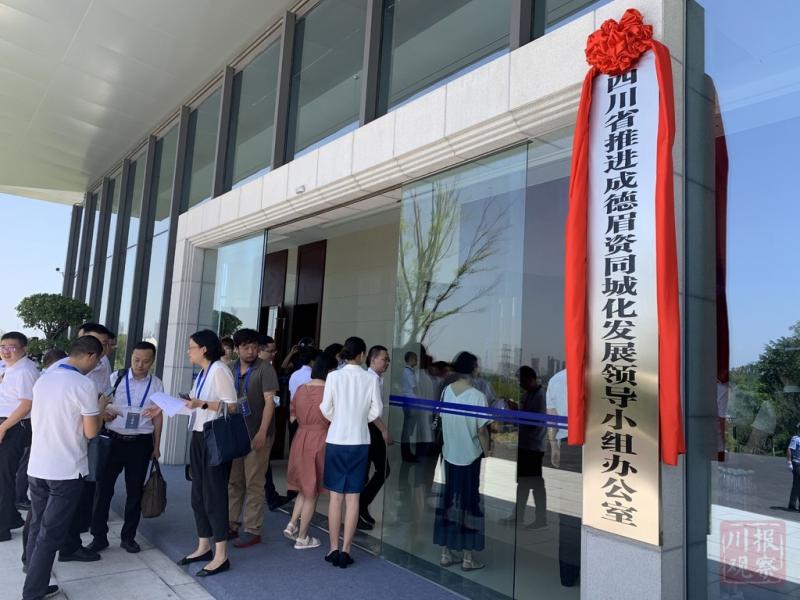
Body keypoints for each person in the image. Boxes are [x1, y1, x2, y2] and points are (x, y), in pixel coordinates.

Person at [22, 335, 108, 600]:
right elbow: (91, 432)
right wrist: (101, 408)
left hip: (38, 465)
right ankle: (33, 592)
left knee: (37, 525)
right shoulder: (83, 384)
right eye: (97, 361)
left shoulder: (44, 377)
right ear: (91, 356)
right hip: (66, 469)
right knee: (50, 534)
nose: (95, 366)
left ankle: (32, 573)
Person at [88, 341, 164, 553]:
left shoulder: (157, 384)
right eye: (136, 360)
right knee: (103, 490)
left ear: (152, 361)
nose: (140, 364)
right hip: (113, 440)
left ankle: (128, 537)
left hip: (140, 443)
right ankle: (99, 536)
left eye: (145, 361)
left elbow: (158, 417)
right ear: (131, 357)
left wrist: (157, 446)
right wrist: (104, 414)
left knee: (135, 492)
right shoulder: (116, 378)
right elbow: (101, 404)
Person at [178, 329, 237, 577]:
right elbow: (194, 403)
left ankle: (221, 554)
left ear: (203, 349)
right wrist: (166, 406)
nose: (188, 351)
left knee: (214, 495)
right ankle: (203, 546)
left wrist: (201, 403)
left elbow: (232, 407)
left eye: (191, 347)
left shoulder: (219, 370)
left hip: (214, 438)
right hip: (199, 435)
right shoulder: (203, 372)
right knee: (198, 494)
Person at [320, 336, 382, 568]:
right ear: (362, 355)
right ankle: (346, 550)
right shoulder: (370, 378)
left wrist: (339, 419)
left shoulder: (333, 376)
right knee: (353, 498)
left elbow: (325, 408)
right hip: (360, 441)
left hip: (336, 439)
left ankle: (333, 548)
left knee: (335, 498)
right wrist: (359, 419)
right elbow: (376, 410)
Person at [57, 322, 113, 563]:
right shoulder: (62, 371)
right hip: (67, 441)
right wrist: (98, 411)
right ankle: (62, 546)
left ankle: (72, 542)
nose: (104, 350)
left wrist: (104, 410)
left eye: (107, 344)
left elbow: (105, 394)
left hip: (86, 438)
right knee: (64, 498)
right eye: (100, 344)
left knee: (85, 491)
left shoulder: (103, 364)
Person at [434, 351, 490, 572]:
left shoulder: (447, 391)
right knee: (469, 503)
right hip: (470, 457)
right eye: (477, 366)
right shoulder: (477, 396)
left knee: (449, 501)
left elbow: (442, 420)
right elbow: (482, 430)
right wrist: (487, 451)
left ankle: (446, 552)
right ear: (473, 369)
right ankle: (468, 557)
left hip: (450, 454)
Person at [227, 328, 278, 548]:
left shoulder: (265, 369)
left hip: (258, 434)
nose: (250, 351)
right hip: (235, 434)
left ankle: (252, 529)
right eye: (245, 347)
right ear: (237, 349)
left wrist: (262, 433)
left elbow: (270, 402)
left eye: (254, 347)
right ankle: (230, 523)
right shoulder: (229, 369)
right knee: (234, 481)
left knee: (254, 483)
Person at [283, 352, 337, 549]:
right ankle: (302, 537)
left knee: (303, 487)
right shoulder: (330, 391)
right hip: (320, 439)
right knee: (312, 491)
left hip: (301, 438)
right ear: (329, 371)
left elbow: (292, 416)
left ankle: (292, 524)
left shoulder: (300, 389)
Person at [0, 332, 39, 542]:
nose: (6, 351)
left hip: (14, 426)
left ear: (24, 349)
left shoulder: (24, 371)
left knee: (4, 478)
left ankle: (2, 528)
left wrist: (3, 428)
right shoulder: (11, 367)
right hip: (8, 424)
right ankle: (12, 518)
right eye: (2, 346)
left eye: (11, 347)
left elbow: (26, 405)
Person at [507, 367, 547, 528]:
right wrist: (517, 409)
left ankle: (541, 519)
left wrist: (518, 413)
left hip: (534, 446)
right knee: (523, 483)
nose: (520, 384)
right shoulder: (528, 394)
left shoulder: (540, 396)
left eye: (522, 381)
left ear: (530, 379)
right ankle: (518, 516)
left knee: (536, 484)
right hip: (525, 445)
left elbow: (535, 421)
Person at [359, 345, 393, 530]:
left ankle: (361, 505)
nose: (387, 363)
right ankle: (357, 510)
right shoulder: (368, 379)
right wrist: (384, 430)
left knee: (383, 470)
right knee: (365, 473)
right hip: (369, 429)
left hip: (375, 430)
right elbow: (369, 410)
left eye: (388, 360)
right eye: (384, 359)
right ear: (372, 360)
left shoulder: (379, 379)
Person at [401, 350, 419, 462]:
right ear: (411, 359)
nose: (417, 360)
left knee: (407, 429)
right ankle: (406, 454)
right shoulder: (408, 372)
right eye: (415, 358)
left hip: (409, 402)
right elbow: (414, 388)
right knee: (407, 430)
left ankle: (407, 453)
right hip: (410, 403)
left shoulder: (409, 371)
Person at [787, 423, 800, 510]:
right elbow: (789, 449)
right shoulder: (795, 439)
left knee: (797, 484)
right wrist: (789, 462)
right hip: (796, 463)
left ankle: (792, 504)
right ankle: (792, 504)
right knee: (797, 484)